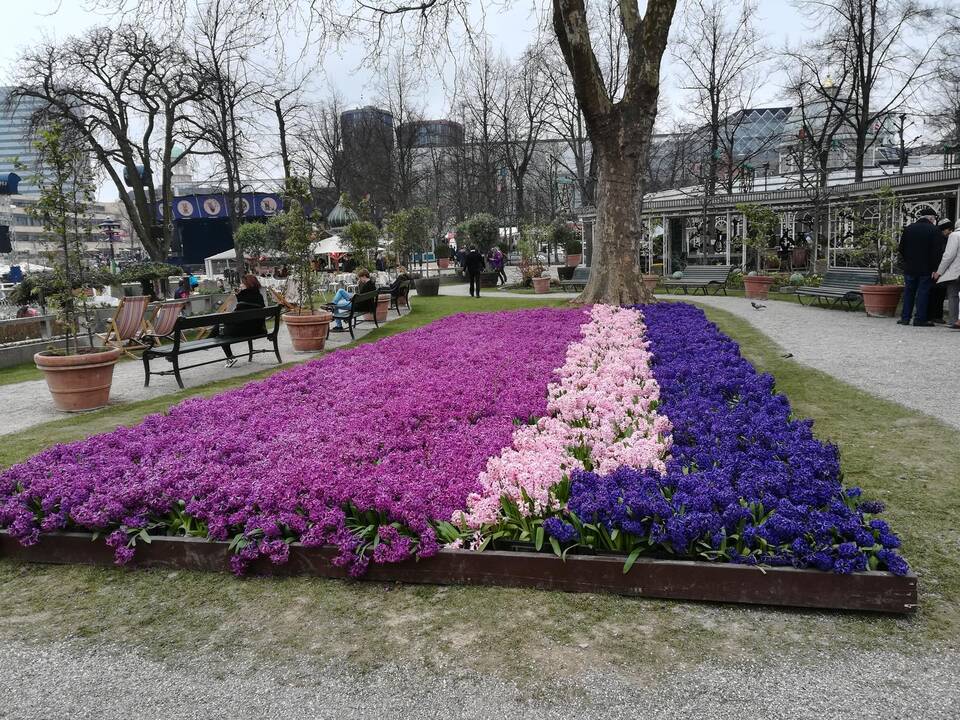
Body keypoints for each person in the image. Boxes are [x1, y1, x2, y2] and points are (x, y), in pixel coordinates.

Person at [898, 209, 942, 327]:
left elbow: (901, 248)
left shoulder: (909, 229)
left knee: (909, 292)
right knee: (923, 293)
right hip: (926, 268)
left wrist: (908, 260)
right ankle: (920, 319)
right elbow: (937, 252)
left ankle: (905, 318)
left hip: (910, 267)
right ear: (931, 218)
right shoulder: (934, 230)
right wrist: (935, 268)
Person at [933, 219, 960, 329]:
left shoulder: (954, 235)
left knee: (953, 295)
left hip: (956, 272)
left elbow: (948, 256)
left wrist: (939, 272)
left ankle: (954, 320)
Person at [928, 219, 954, 323]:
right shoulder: (942, 239)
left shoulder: (943, 239)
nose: (949, 232)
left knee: (937, 293)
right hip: (939, 270)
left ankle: (935, 315)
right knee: (938, 293)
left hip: (939, 270)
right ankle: (936, 316)